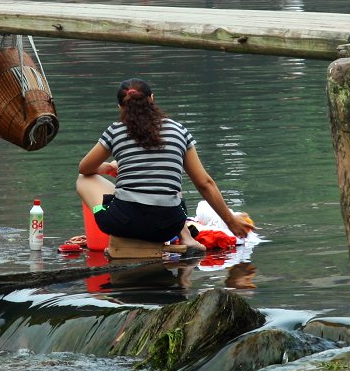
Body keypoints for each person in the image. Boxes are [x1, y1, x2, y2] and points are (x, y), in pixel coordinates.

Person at [76, 78, 254, 252]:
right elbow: (204, 183)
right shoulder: (179, 130)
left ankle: (116, 215)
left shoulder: (115, 130)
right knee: (173, 183)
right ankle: (186, 238)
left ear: (120, 107)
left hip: (122, 224)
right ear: (152, 99)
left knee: (83, 180)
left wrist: (108, 167)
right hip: (167, 227)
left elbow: (84, 169)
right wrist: (230, 221)